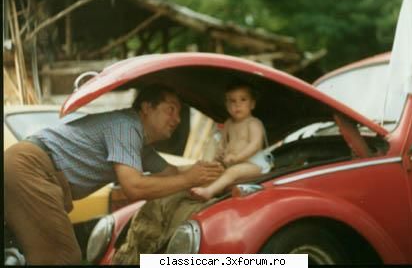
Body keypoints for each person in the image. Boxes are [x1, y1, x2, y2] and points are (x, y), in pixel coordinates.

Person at [4, 84, 224, 265]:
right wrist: (189, 178)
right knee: (61, 257)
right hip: (31, 168)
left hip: (28, 168)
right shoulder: (126, 126)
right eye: (170, 109)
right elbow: (134, 187)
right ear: (147, 107)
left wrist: (214, 172)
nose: (177, 119)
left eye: (179, 112)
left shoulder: (140, 145)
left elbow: (172, 173)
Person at [190, 81, 273, 201]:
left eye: (243, 100)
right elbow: (223, 142)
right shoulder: (229, 123)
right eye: (232, 101)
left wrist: (238, 157)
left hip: (254, 164)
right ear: (226, 105)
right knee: (214, 170)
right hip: (233, 162)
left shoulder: (253, 123)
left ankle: (209, 192)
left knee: (232, 172)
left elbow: (255, 145)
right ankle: (201, 188)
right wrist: (220, 153)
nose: (237, 105)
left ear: (252, 104)